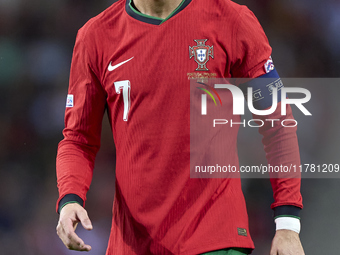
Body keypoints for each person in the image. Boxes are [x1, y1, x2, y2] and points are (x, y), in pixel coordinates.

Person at [56, 0, 305, 254]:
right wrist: (70, 198)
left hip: (214, 239)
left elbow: (277, 121)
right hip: (132, 244)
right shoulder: (95, 36)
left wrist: (287, 223)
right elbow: (78, 139)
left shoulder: (232, 19)